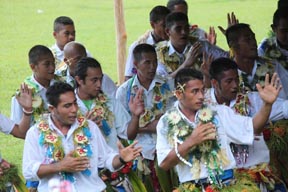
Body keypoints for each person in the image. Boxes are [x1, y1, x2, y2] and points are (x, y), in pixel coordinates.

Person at [156, 68, 280, 191]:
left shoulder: (219, 113)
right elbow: (164, 164)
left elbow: (253, 129)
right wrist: (191, 141)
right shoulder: (166, 122)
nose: (201, 96)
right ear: (179, 94)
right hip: (194, 188)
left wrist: (267, 105)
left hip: (228, 185)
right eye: (195, 91)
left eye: (202, 90)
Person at [22, 82, 142, 192]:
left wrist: (121, 159)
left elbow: (106, 159)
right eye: (67, 106)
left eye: (75, 103)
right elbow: (28, 171)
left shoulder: (90, 127)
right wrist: (60, 166)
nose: (74, 109)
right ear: (52, 109)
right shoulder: (35, 133)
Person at [207, 57, 287, 191]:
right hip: (219, 178)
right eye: (229, 81)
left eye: (236, 79)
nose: (235, 85)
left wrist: (268, 103)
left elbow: (284, 108)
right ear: (215, 83)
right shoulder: (202, 105)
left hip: (255, 174)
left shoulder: (251, 100)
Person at [117, 44, 175, 192]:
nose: (152, 67)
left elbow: (173, 119)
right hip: (141, 153)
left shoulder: (167, 84)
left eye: (155, 62)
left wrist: (142, 127)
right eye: (147, 63)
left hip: (167, 149)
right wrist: (150, 127)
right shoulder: (124, 91)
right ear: (136, 64)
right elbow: (125, 131)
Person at [156, 12, 228, 78]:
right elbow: (163, 83)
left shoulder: (200, 45)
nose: (184, 32)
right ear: (168, 31)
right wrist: (186, 65)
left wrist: (232, 39)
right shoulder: (159, 52)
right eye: (178, 29)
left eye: (186, 28)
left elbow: (228, 59)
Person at [226, 23, 288, 97]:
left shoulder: (272, 66)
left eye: (253, 37)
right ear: (233, 45)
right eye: (247, 39)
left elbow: (284, 99)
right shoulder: (227, 75)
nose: (253, 42)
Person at [11, 45, 58, 126]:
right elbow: (17, 128)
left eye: (53, 63)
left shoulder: (61, 84)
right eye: (47, 64)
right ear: (33, 67)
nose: (52, 68)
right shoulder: (23, 94)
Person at [124, 5, 170, 80]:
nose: (167, 29)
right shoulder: (138, 46)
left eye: (169, 25)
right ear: (152, 25)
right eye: (164, 25)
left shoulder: (175, 45)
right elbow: (128, 77)